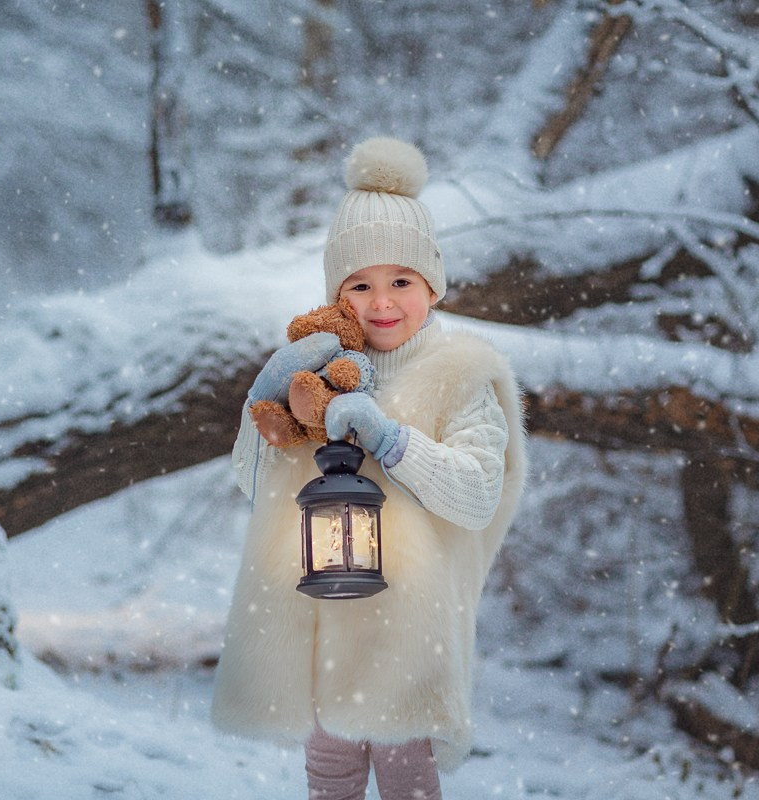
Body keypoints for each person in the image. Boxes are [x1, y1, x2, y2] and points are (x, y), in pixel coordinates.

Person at [210, 136, 528, 800]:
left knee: (404, 762)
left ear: (432, 285)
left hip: (410, 620)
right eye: (360, 284)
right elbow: (254, 481)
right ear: (336, 293)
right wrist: (262, 404)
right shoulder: (316, 368)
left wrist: (391, 441)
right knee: (329, 767)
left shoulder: (458, 374)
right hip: (324, 609)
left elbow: (477, 492)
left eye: (401, 281)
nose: (382, 302)